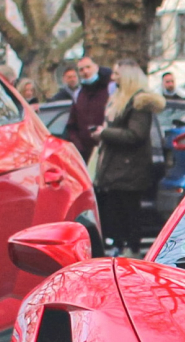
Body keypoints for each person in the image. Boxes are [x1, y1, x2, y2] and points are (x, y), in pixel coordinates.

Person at [91, 61, 165, 254]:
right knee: (118, 211)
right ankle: (122, 246)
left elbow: (135, 134)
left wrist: (105, 133)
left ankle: (131, 248)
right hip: (118, 167)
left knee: (129, 213)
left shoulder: (139, 103)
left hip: (129, 168)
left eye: (117, 74)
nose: (113, 78)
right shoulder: (120, 100)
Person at [56, 56, 111, 156]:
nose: (85, 72)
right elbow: (72, 125)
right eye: (81, 70)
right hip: (85, 152)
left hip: (108, 148)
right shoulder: (78, 94)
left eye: (88, 67)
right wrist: (78, 146)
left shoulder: (110, 89)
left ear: (96, 68)